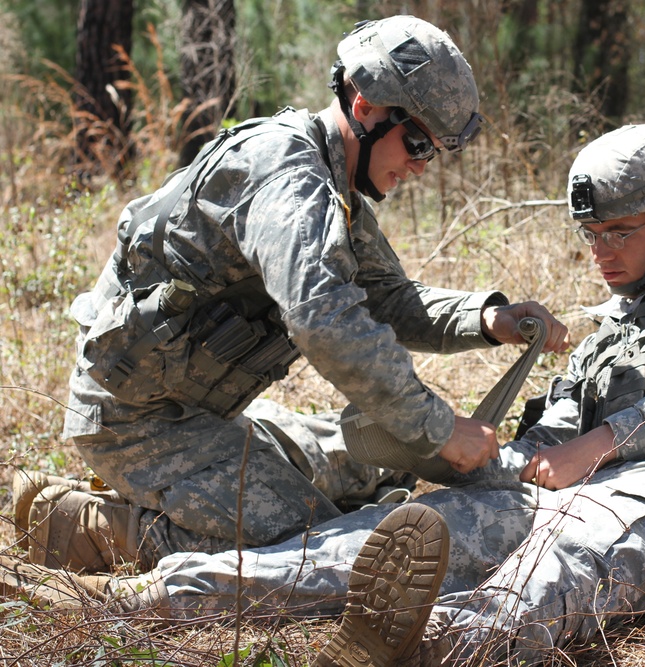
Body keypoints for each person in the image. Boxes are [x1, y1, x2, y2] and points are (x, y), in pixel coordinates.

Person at [2, 124, 645, 666]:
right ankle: (132, 595)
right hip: (568, 480)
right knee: (354, 543)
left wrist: (602, 442)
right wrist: (513, 454)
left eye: (620, 233)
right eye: (591, 236)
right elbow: (559, 422)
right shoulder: (609, 322)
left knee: (561, 572)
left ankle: (430, 652)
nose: (600, 253)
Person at [12, 15, 568, 576]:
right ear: (366, 107)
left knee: (386, 465)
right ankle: (87, 525)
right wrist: (440, 427)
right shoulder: (289, 180)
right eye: (418, 142)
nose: (421, 166)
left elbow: (390, 301)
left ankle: (191, 484)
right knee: (311, 548)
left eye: (434, 153)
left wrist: (487, 318)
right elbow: (325, 321)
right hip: (137, 419)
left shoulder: (335, 184)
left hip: (202, 410)